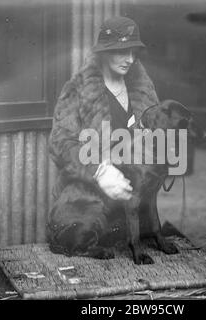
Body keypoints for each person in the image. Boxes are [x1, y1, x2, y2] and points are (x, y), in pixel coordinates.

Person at [46, 16, 160, 255]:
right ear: (104, 52)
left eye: (133, 52)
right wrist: (99, 171)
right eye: (122, 51)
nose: (130, 59)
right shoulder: (77, 90)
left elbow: (155, 137)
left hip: (132, 215)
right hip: (87, 209)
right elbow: (60, 143)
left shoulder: (144, 91)